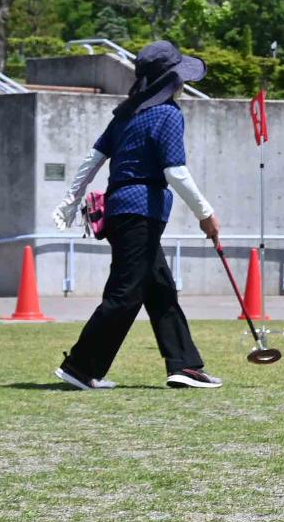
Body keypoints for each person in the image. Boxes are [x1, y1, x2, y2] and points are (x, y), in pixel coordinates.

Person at [50, 42, 223, 389]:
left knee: (159, 289)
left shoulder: (126, 113)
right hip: (140, 212)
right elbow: (174, 171)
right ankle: (80, 367)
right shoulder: (169, 115)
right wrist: (206, 214)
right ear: (170, 79)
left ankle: (184, 366)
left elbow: (92, 160)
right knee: (125, 293)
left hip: (121, 211)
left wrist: (71, 201)